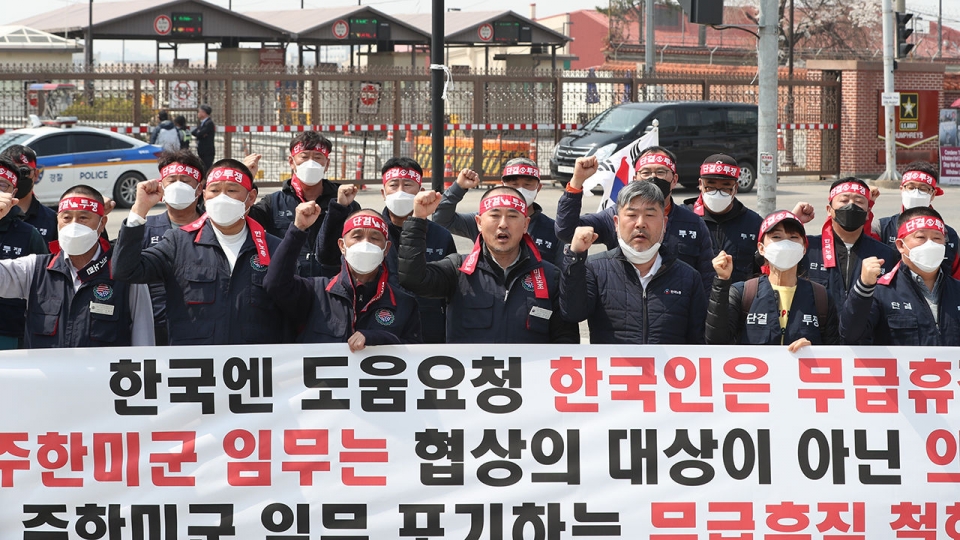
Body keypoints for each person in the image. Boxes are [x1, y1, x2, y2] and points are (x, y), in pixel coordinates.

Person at [113, 159, 292, 345]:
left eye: (232, 190)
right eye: (214, 190)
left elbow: (289, 314)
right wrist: (138, 211)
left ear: (251, 197)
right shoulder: (178, 241)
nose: (222, 198)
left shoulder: (274, 248)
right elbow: (125, 270)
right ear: (204, 195)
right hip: (194, 367)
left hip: (256, 367)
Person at [398, 187, 579, 344]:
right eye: (494, 215)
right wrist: (418, 220)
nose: (503, 224)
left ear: (525, 225)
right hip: (471, 380)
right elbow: (413, 279)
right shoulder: (457, 269)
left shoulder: (550, 276)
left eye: (512, 216)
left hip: (528, 381)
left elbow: (565, 340)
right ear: (479, 223)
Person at [316, 157, 456, 343]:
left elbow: (452, 291)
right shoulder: (371, 233)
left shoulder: (441, 236)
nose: (400, 192)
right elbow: (327, 257)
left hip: (429, 332)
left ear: (420, 191)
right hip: (375, 330)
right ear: (383, 192)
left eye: (407, 185)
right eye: (393, 185)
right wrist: (339, 208)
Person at [0, 185, 154, 348]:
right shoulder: (35, 269)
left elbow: (143, 341)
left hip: (103, 373)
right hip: (48, 373)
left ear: (102, 224)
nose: (74, 225)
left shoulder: (124, 275)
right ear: (57, 222)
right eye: (66, 218)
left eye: (83, 218)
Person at [559, 180, 706, 344]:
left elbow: (698, 341)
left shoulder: (688, 277)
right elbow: (572, 312)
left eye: (650, 215)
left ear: (664, 224)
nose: (640, 223)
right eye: (631, 215)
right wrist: (575, 257)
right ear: (616, 223)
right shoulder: (594, 268)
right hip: (612, 369)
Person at [555, 148, 716, 292]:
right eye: (645, 172)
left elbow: (707, 281)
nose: (653, 178)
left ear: (674, 180)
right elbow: (566, 231)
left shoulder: (693, 224)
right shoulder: (615, 216)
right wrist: (577, 181)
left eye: (661, 172)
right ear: (635, 179)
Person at [265, 205, 421, 349]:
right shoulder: (315, 292)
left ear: (386, 249)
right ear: (342, 246)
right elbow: (275, 284)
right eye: (357, 236)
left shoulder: (404, 304)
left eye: (374, 238)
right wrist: (298, 230)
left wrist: (379, 339)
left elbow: (416, 356)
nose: (365, 244)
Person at [706, 210, 839, 350]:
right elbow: (716, 341)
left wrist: (814, 351)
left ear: (804, 249)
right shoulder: (743, 293)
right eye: (776, 237)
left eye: (793, 237)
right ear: (761, 248)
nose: (785, 244)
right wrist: (722, 281)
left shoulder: (821, 297)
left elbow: (834, 352)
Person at [842, 206, 960, 346]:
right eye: (921, 237)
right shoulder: (880, 292)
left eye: (937, 238)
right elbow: (851, 336)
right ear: (900, 245)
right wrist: (864, 287)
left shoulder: (957, 290)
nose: (930, 244)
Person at [248, 131, 358, 278]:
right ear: (292, 162)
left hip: (330, 286)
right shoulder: (274, 202)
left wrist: (340, 209)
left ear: (327, 164)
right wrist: (245, 179)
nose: (311, 163)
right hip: (287, 284)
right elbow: (241, 221)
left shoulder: (344, 203)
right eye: (304, 157)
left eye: (318, 157)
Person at [433, 157, 562, 263]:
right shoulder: (486, 220)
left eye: (527, 185)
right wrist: (458, 188)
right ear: (503, 185)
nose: (520, 190)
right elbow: (441, 219)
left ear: (538, 188)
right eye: (514, 184)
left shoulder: (553, 230)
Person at [139, 150, 206, 345]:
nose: (178, 185)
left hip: (201, 328)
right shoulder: (143, 229)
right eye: (172, 180)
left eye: (185, 180)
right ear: (161, 186)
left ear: (199, 188)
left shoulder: (213, 228)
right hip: (155, 329)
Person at [800, 177, 898, 307]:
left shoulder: (885, 254)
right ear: (829, 210)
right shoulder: (808, 248)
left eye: (859, 201)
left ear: (868, 212)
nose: (851, 205)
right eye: (844, 200)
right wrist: (793, 220)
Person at [683, 153, 764, 283]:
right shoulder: (683, 218)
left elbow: (761, 271)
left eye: (725, 186)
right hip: (694, 299)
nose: (717, 192)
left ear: (735, 188)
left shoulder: (753, 223)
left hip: (737, 299)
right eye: (710, 185)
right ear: (700, 184)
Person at [873, 161, 960, 278]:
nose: (916, 192)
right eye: (911, 187)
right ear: (902, 189)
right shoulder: (881, 228)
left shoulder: (949, 234)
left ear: (933, 194)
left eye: (923, 189)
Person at [0, 159, 49, 349]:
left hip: (10, 333)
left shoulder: (28, 234)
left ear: (13, 193)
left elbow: (45, 286)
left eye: (3, 185)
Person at [0, 145, 57, 243]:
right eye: (11, 173)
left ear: (35, 174)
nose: (17, 178)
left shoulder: (51, 220)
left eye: (23, 171)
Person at [191, 104, 216, 170]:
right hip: (202, 150)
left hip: (207, 151)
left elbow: (199, 134)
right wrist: (199, 133)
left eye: (199, 112)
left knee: (207, 168)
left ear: (204, 113)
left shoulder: (209, 123)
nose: (198, 114)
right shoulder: (203, 123)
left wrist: (200, 133)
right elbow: (194, 132)